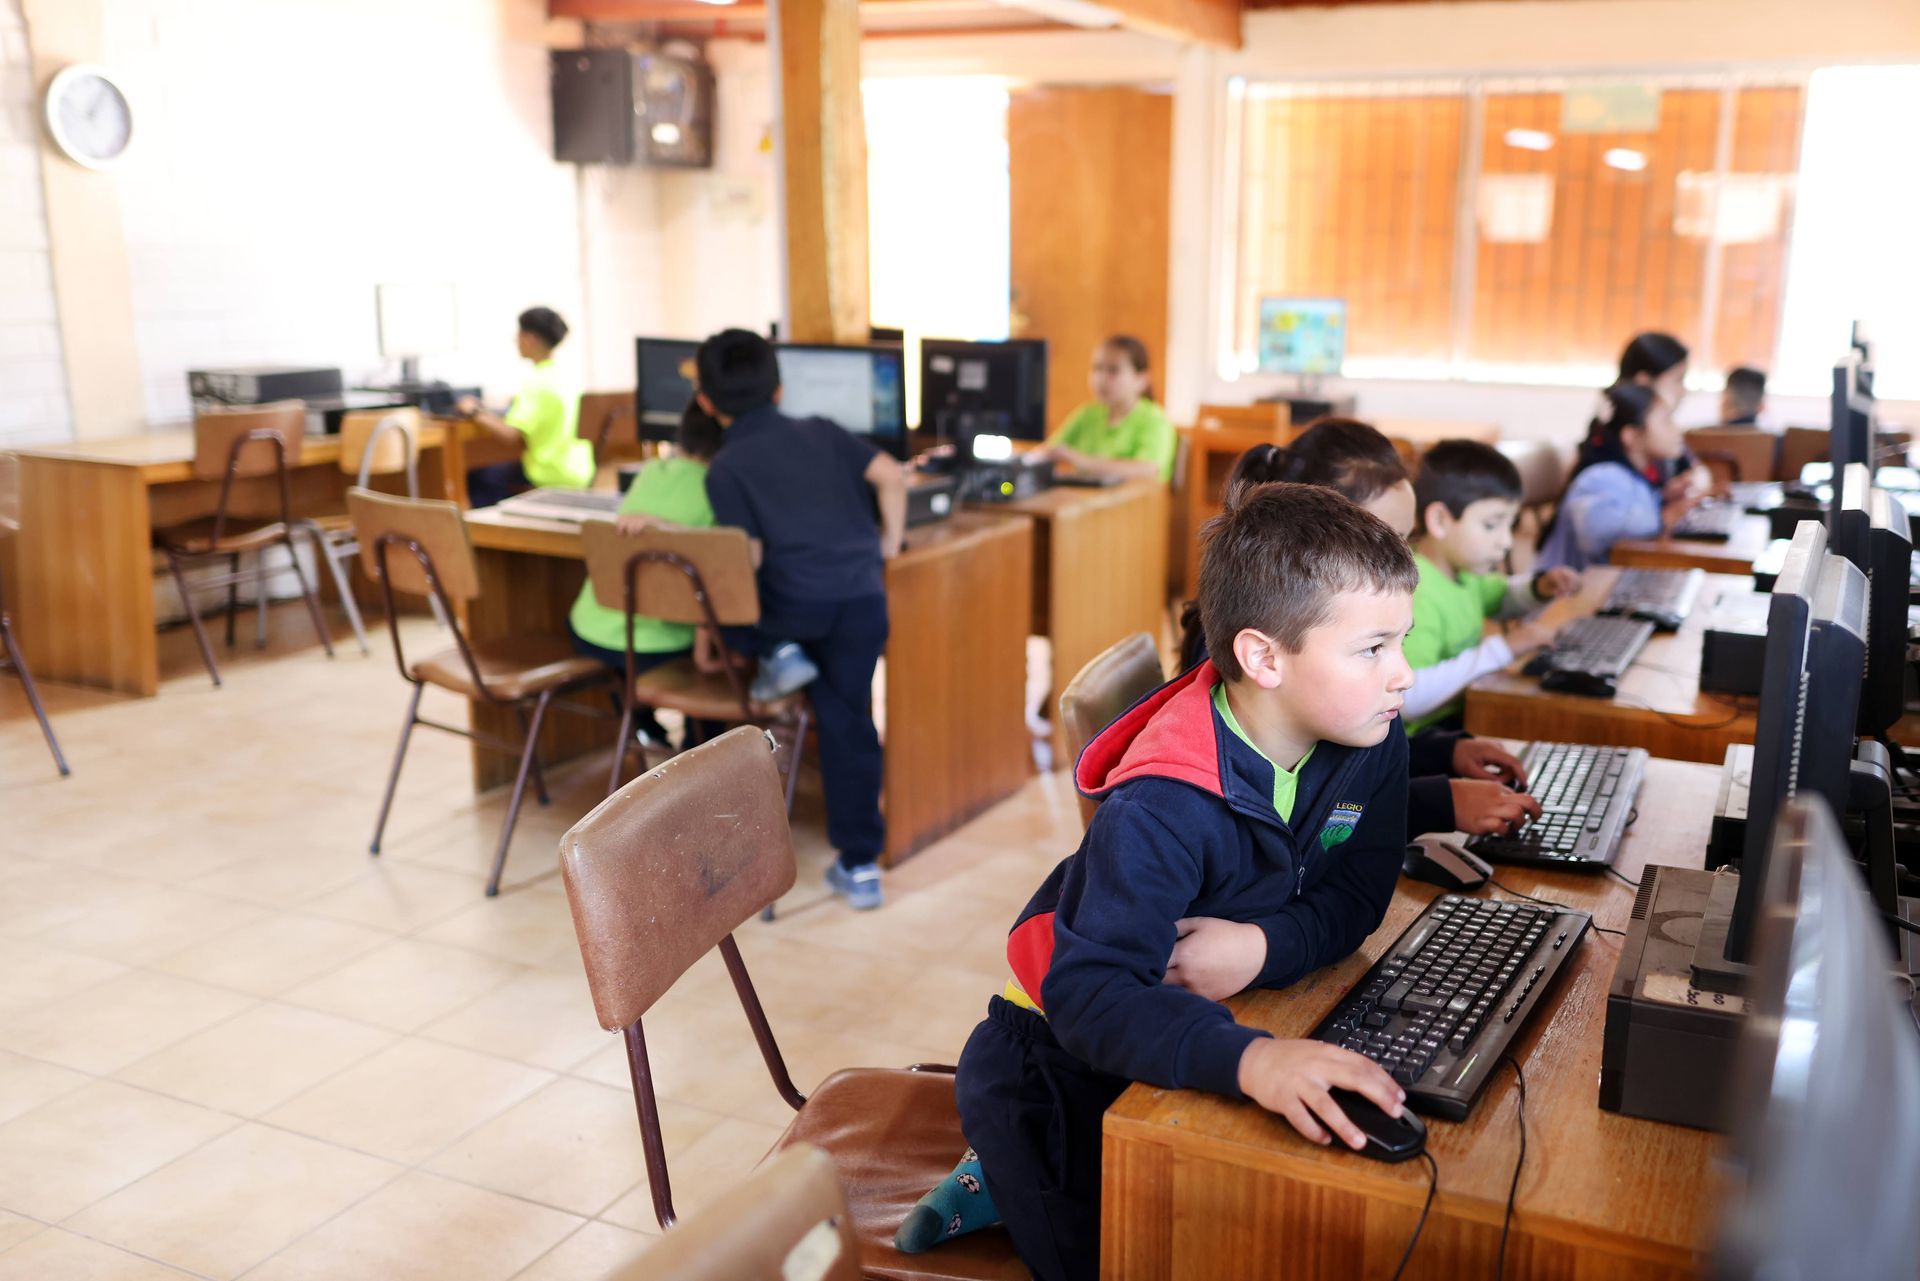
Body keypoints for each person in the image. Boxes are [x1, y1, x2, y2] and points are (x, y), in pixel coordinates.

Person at [927, 483, 1417, 1281]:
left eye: (1401, 642)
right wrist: (1253, 1062)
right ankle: (999, 1171)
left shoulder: (1371, 738)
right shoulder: (1162, 803)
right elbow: (1092, 996)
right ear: (1264, 657)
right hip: (1054, 1062)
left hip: (1200, 1018)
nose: (1403, 674)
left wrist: (1262, 947)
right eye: (1373, 649)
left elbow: (1361, 895)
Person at [1173, 421, 1539, 838]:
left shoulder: (1348, 659)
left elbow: (1345, 759)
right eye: (1384, 539)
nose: (1402, 562)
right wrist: (1439, 802)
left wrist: (1445, 752)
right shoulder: (1242, 658)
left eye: (1404, 542)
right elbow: (1310, 810)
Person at [694, 328, 908, 911]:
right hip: (860, 602)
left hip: (794, 608)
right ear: (780, 388)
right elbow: (891, 476)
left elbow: (749, 557)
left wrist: (737, 629)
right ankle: (860, 866)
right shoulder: (825, 431)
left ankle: (779, 650)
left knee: (727, 595)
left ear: (707, 403)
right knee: (849, 722)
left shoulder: (725, 468)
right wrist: (888, 545)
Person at [565, 400, 726, 751]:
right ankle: (699, 754)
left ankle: (642, 726)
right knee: (721, 660)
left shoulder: (651, 472)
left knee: (624, 658)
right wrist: (705, 652)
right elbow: (712, 582)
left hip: (589, 631)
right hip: (657, 647)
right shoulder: (720, 488)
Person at [1402, 440, 1581, 734]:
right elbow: (1408, 698)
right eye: (1491, 525)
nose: (1507, 542)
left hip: (1461, 716)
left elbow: (1500, 599)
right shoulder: (1415, 591)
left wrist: (1540, 588)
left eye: (1511, 525)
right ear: (1439, 520)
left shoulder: (1465, 572)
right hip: (1423, 739)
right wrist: (1503, 649)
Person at [1538, 382, 1696, 573]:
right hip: (1570, 588)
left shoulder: (1629, 475)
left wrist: (1662, 498)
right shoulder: (1601, 477)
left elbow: (1629, 511)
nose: (1676, 430)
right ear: (1632, 436)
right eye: (1666, 421)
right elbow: (1600, 533)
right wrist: (1663, 518)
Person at [458, 306, 595, 509]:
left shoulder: (535, 383)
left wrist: (473, 411)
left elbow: (510, 435)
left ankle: (486, 526)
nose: (516, 340)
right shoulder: (565, 376)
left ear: (529, 338)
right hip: (580, 469)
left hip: (550, 473)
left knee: (481, 476)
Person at [1036, 336, 1178, 483]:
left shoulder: (1154, 419)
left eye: (1113, 370)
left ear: (1141, 379)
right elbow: (1048, 450)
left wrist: (1081, 461)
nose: (1101, 378)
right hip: (1087, 496)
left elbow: (1148, 469)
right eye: (1097, 368)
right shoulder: (1087, 414)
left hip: (1136, 498)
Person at [1614, 331, 1710, 501]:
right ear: (1643, 382)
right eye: (1678, 380)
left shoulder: (1660, 435)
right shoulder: (1614, 441)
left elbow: (1699, 474)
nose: (1683, 391)